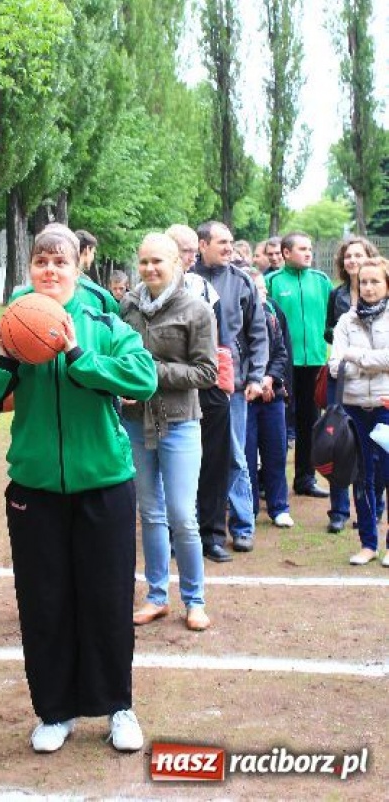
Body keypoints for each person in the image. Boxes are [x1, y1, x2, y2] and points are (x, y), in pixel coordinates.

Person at [0, 228, 157, 754]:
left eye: (59, 262)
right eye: (41, 261)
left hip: (105, 482)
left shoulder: (103, 320)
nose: (50, 270)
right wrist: (4, 362)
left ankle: (118, 706)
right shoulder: (10, 327)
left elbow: (143, 379)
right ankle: (54, 711)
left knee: (107, 598)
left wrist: (75, 355)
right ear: (30, 268)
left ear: (76, 267)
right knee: (43, 601)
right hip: (36, 487)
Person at [120, 233, 217, 631]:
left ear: (177, 262)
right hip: (134, 422)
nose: (149, 269)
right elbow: (117, 356)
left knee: (182, 515)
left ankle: (195, 600)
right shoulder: (127, 306)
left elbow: (207, 372)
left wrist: (151, 372)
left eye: (157, 261)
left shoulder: (196, 310)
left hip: (179, 422)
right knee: (150, 513)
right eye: (143, 262)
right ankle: (156, 596)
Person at [192, 221, 268, 553]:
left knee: (234, 455)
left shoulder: (241, 282)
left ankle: (242, 525)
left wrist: (254, 377)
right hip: (191, 383)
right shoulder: (186, 281)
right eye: (222, 242)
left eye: (231, 242)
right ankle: (196, 525)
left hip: (231, 386)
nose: (229, 248)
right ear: (202, 244)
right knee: (195, 456)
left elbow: (257, 333)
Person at [167, 223, 233, 563]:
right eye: (183, 250)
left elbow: (219, 341)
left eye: (193, 250)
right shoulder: (145, 291)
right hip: (167, 390)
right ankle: (172, 534)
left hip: (207, 388)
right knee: (170, 465)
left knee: (214, 462)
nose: (190, 257)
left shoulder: (206, 290)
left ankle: (211, 534)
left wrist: (220, 384)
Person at [329, 257, 389, 566]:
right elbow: (336, 367)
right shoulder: (346, 321)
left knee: (387, 474)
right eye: (363, 282)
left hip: (386, 406)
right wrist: (369, 361)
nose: (368, 287)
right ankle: (368, 543)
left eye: (375, 281)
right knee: (362, 475)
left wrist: (356, 357)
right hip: (354, 408)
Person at [266, 233, 331, 500]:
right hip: (283, 365)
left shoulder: (322, 281)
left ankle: (305, 478)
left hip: (314, 361)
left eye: (310, 249)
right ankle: (269, 481)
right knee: (278, 423)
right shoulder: (272, 282)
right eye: (302, 249)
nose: (308, 253)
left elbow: (329, 320)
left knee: (310, 423)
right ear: (285, 253)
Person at [323, 236, 379, 533]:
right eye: (348, 256)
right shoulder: (338, 295)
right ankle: (339, 510)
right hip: (343, 380)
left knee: (373, 449)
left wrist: (357, 353)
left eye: (358, 255)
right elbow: (329, 333)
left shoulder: (382, 294)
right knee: (340, 445)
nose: (352, 260)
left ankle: (370, 508)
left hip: (376, 386)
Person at [245, 269, 293, 528]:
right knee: (247, 455)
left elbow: (281, 354)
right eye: (257, 289)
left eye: (264, 289)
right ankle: (248, 509)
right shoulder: (236, 321)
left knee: (276, 452)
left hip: (272, 396)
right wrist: (254, 381)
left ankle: (279, 506)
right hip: (246, 397)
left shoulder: (272, 317)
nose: (262, 294)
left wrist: (270, 379)